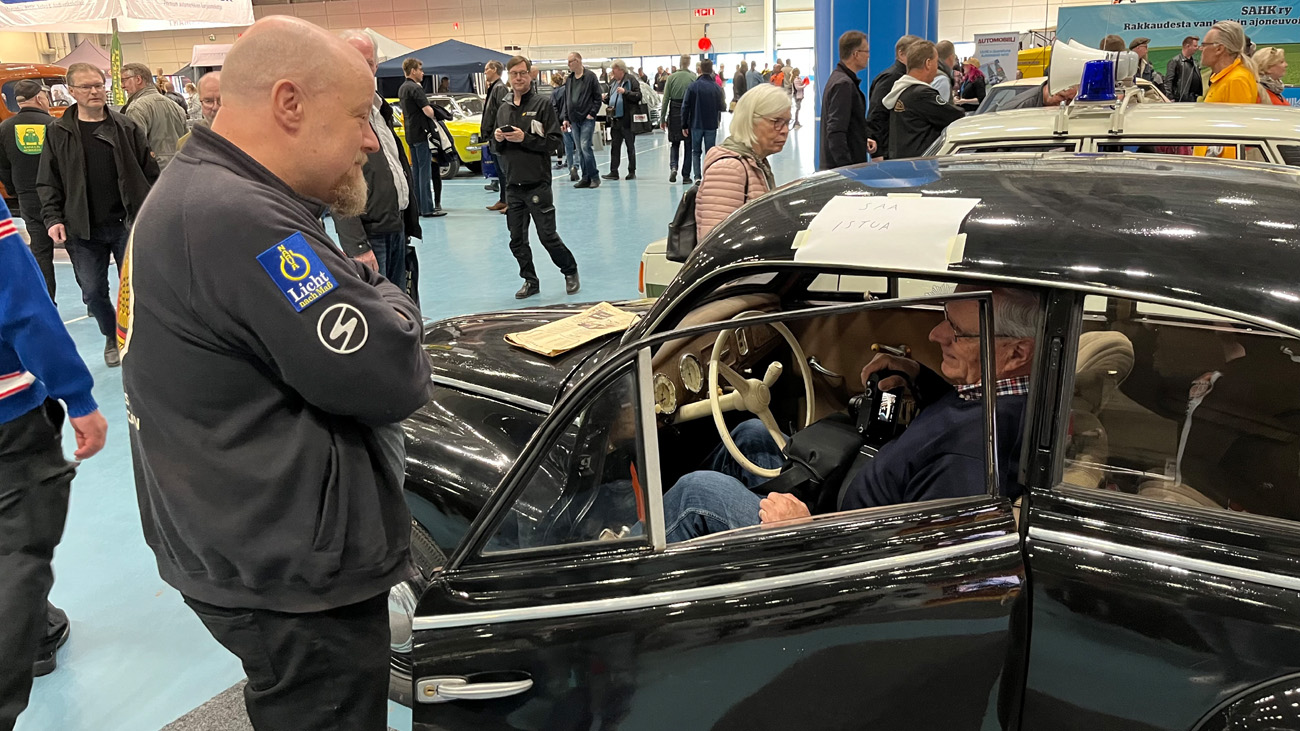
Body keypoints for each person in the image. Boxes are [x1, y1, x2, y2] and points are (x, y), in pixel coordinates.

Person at [119, 17, 434, 730]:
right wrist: (387, 299)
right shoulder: (241, 219)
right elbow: (393, 372)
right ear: (289, 103)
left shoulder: (203, 191)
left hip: (243, 532)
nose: (369, 139)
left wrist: (361, 288)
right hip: (289, 568)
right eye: (358, 115)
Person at [659, 286, 1037, 542]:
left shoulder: (974, 454)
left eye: (956, 331)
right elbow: (958, 412)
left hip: (835, 544)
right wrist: (917, 376)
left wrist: (806, 532)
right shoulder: (997, 395)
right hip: (845, 495)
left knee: (697, 493)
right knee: (751, 434)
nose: (936, 335)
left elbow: (913, 564)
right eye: (944, 318)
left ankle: (635, 558)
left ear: (1016, 353)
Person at [0, 195, 107, 731]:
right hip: (7, 417)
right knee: (19, 549)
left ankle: (39, 625)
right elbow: (20, 304)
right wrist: (77, 394)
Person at [37, 62, 158, 368]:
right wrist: (53, 218)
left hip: (127, 224)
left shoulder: (126, 127)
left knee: (141, 288)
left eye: (99, 85)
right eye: (86, 86)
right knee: (92, 292)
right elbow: (48, 180)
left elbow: (150, 173)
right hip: (83, 229)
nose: (95, 91)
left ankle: (140, 340)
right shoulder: (58, 132)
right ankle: (111, 335)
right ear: (71, 91)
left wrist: (152, 212)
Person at [333, 30, 422, 292]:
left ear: (375, 66)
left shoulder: (380, 109)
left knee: (398, 302)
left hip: (396, 226)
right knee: (378, 305)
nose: (362, 69)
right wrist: (357, 245)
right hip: (370, 236)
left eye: (368, 62)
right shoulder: (335, 114)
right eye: (353, 61)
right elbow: (336, 183)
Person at [494, 55, 580, 299]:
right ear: (509, 77)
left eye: (522, 73)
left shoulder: (542, 105)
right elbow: (495, 148)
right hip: (513, 185)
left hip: (537, 184)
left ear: (530, 75)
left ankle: (570, 270)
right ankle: (530, 281)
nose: (518, 78)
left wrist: (526, 139)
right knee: (516, 240)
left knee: (547, 236)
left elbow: (554, 142)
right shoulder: (503, 108)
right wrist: (497, 140)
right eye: (514, 74)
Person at [695, 84, 790, 240]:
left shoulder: (756, 163)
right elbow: (716, 243)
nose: (785, 130)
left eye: (787, 123)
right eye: (777, 122)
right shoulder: (728, 170)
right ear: (750, 120)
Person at [0, 80, 57, 300]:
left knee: (41, 252)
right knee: (76, 248)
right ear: (40, 98)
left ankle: (47, 299)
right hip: (58, 197)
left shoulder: (5, 128)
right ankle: (92, 299)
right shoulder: (54, 125)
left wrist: (14, 190)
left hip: (28, 197)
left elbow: (3, 167)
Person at [884, 40, 966, 159]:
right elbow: (955, 116)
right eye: (936, 62)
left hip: (901, 160)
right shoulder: (923, 94)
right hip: (920, 164)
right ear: (928, 63)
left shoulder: (900, 91)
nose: (937, 68)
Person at [398, 58, 446, 216]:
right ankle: (427, 208)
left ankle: (418, 207)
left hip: (410, 134)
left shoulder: (402, 88)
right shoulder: (416, 89)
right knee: (425, 171)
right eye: (420, 69)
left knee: (416, 172)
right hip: (421, 133)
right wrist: (436, 114)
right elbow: (428, 111)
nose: (422, 73)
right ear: (413, 71)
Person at [821, 30, 874, 170]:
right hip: (843, 170)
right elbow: (836, 132)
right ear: (856, 54)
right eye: (866, 51)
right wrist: (848, 169)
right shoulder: (843, 85)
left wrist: (861, 140)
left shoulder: (839, 79)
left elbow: (846, 125)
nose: (868, 56)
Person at [119, 62, 187, 170]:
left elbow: (135, 148)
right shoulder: (176, 107)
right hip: (180, 168)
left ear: (138, 79)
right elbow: (187, 141)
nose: (122, 86)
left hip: (154, 172)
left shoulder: (136, 108)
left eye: (124, 80)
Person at [866, 35, 921, 160]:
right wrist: (877, 153)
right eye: (914, 53)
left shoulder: (908, 78)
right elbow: (876, 114)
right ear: (901, 54)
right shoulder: (891, 78)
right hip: (889, 151)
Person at [681, 59, 727, 185]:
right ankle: (709, 175)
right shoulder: (717, 88)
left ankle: (697, 177)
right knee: (710, 152)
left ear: (700, 69)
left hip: (696, 124)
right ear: (711, 70)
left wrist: (684, 124)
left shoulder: (692, 86)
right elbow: (722, 107)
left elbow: (685, 106)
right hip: (711, 124)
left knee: (696, 152)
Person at [563, 51, 603, 189]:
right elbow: (567, 99)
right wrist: (566, 118)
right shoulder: (569, 79)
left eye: (571, 61)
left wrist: (592, 113)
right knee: (579, 150)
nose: (568, 64)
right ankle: (586, 178)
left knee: (585, 147)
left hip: (587, 118)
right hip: (574, 119)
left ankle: (594, 177)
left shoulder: (590, 77)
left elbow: (598, 98)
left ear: (578, 61)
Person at [601, 59, 642, 181]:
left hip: (627, 119)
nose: (612, 72)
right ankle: (614, 171)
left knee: (630, 146)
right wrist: (605, 98)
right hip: (615, 120)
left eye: (614, 69)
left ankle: (631, 171)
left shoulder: (631, 80)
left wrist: (626, 92)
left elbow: (638, 96)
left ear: (621, 70)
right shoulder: (613, 83)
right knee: (615, 147)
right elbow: (611, 97)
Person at [660, 54, 697, 184]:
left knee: (675, 143)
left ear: (680, 63)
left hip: (674, 111)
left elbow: (665, 99)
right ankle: (686, 176)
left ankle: (673, 167)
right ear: (689, 63)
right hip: (689, 113)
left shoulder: (671, 77)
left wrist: (662, 118)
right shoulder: (693, 77)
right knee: (688, 144)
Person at [481, 60, 507, 204]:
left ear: (495, 69)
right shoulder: (494, 88)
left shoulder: (500, 88)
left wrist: (500, 132)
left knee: (503, 171)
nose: (485, 72)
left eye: (487, 69)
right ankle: (503, 200)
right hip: (492, 135)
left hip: (498, 136)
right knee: (499, 170)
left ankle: (507, 201)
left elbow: (503, 112)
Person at [176, 71, 221, 149]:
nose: (215, 107)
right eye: (208, 101)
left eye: (221, 100)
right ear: (201, 102)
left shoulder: (244, 138)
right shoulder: (185, 145)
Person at [1165, 36, 1204, 102]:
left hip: (1193, 97)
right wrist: (1170, 97)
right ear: (1188, 46)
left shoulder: (1194, 61)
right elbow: (1168, 81)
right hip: (1180, 99)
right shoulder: (1175, 61)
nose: (1197, 48)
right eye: (1195, 46)